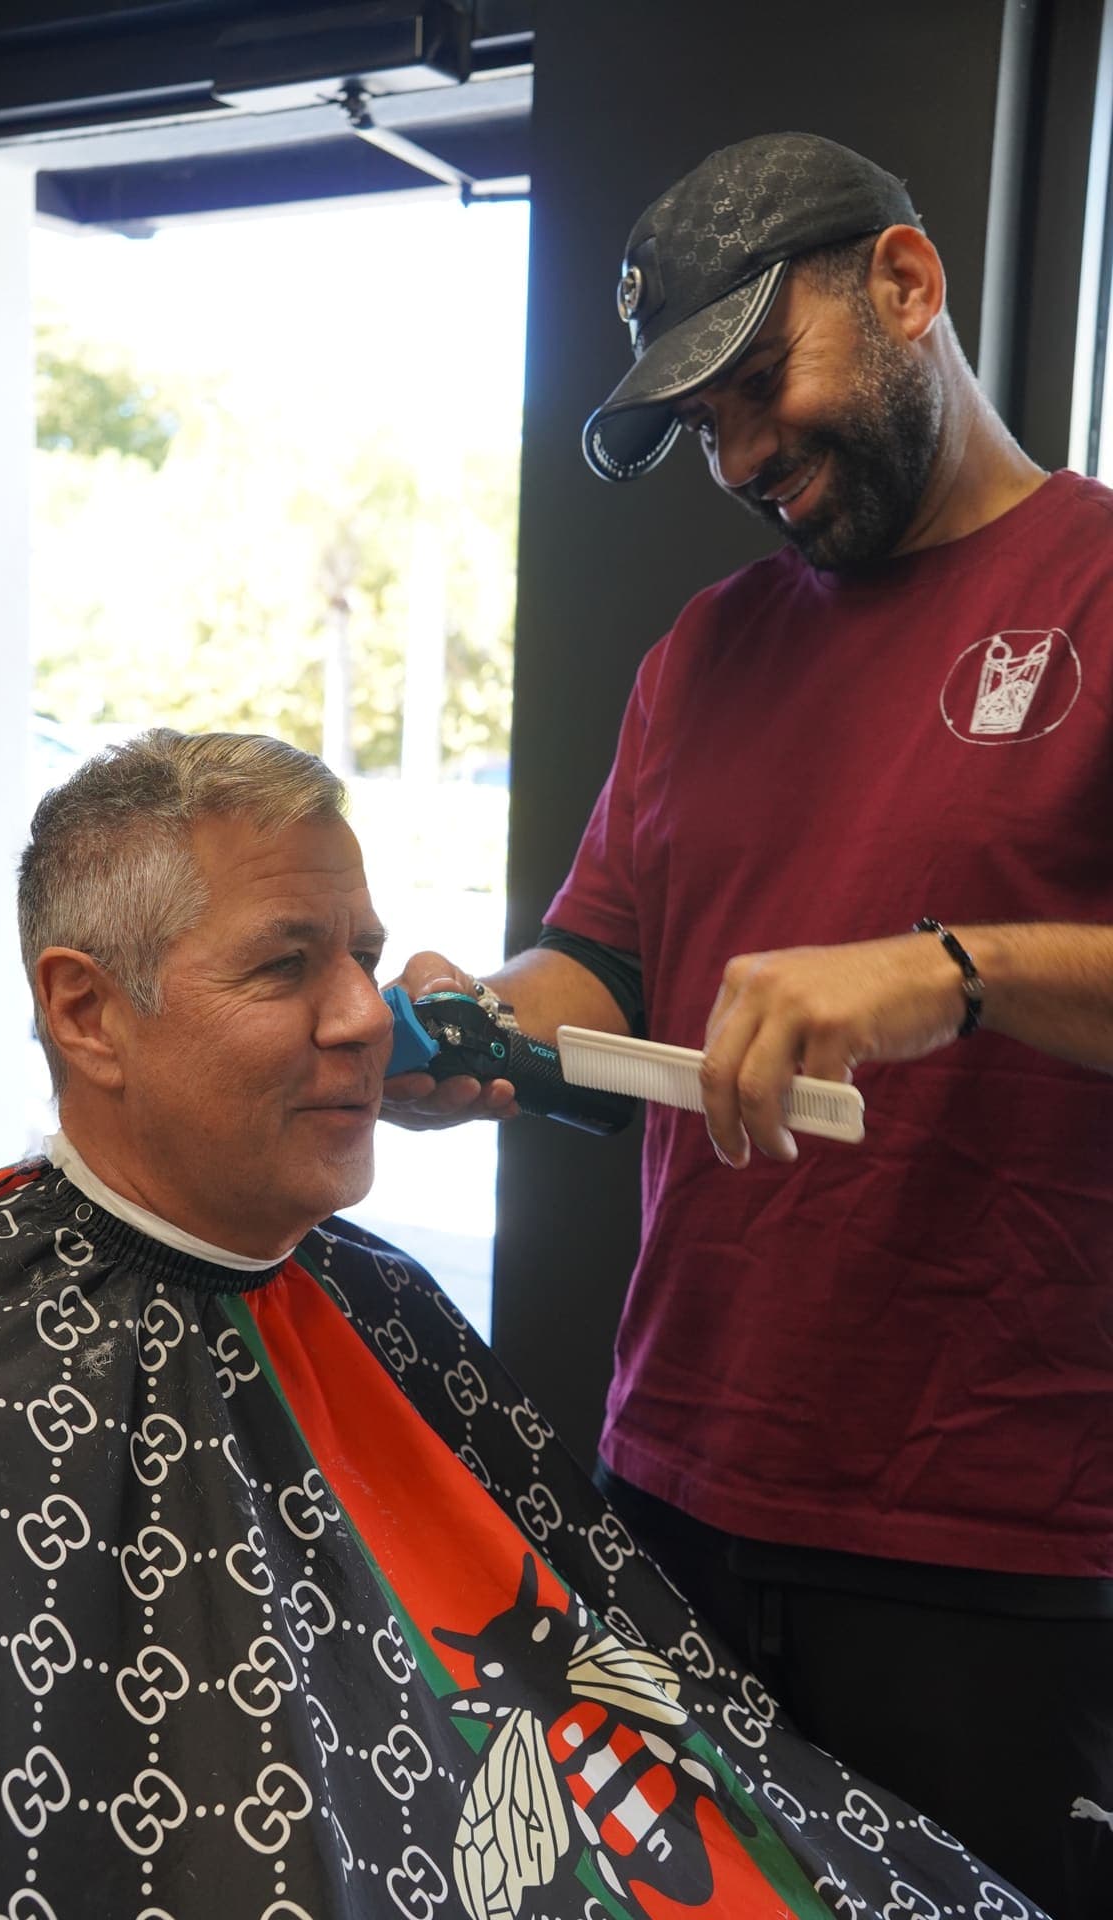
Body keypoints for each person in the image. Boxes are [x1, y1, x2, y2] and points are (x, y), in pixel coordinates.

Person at [0, 727, 1042, 1920]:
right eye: (283, 967)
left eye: (362, 955)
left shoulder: (380, 1302)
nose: (364, 1014)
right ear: (87, 1013)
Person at [384, 130, 1113, 1920]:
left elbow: (972, 970)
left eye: (753, 383)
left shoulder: (1098, 587)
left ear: (906, 284)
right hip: (676, 1488)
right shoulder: (700, 655)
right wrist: (477, 1031)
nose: (738, 454)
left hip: (996, 1533)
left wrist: (951, 967)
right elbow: (602, 974)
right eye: (699, 424)